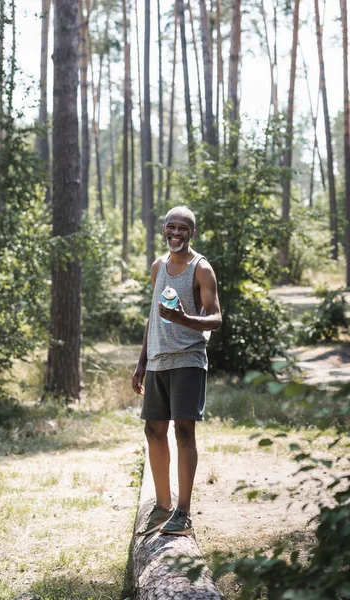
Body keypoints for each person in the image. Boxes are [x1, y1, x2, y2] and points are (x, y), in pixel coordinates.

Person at [132, 206, 222, 536]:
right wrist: (142, 362)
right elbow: (153, 317)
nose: (176, 232)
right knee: (153, 431)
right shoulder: (158, 266)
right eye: (171, 226)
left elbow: (216, 318)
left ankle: (183, 513)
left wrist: (185, 319)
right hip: (156, 361)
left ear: (192, 233)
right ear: (163, 230)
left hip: (188, 359)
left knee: (184, 432)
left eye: (183, 228)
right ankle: (162, 507)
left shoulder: (202, 269)